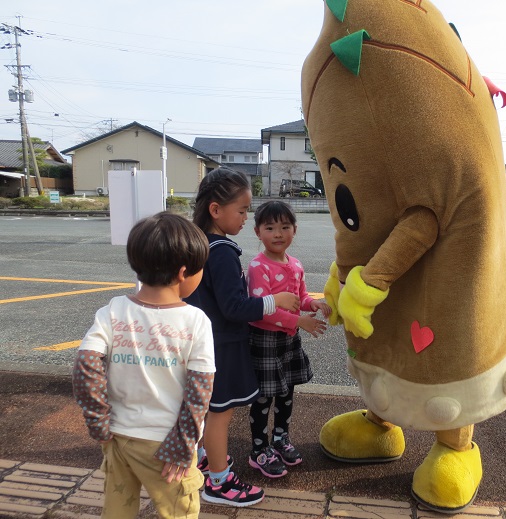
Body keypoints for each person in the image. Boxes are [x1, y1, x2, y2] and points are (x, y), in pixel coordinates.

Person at [73, 211, 215, 519]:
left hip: (118, 438)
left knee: (117, 510)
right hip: (167, 444)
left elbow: (86, 363)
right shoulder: (195, 320)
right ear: (182, 273)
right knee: (178, 512)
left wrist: (98, 420)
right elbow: (200, 390)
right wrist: (183, 444)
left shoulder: (113, 311)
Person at [184, 168, 299, 507]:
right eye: (242, 210)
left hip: (200, 340)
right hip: (221, 345)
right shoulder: (221, 249)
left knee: (205, 409)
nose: (245, 217)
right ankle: (219, 482)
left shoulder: (195, 241)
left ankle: (205, 456)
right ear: (216, 210)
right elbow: (234, 306)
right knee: (220, 413)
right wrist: (273, 301)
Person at [246, 201, 331, 478]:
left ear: (295, 230)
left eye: (284, 227)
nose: (278, 233)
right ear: (258, 232)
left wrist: (313, 304)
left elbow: (300, 297)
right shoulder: (258, 266)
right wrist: (301, 322)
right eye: (270, 228)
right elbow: (265, 310)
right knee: (263, 397)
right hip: (265, 338)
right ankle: (259, 449)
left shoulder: (296, 265)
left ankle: (281, 439)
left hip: (288, 339)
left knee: (286, 391)